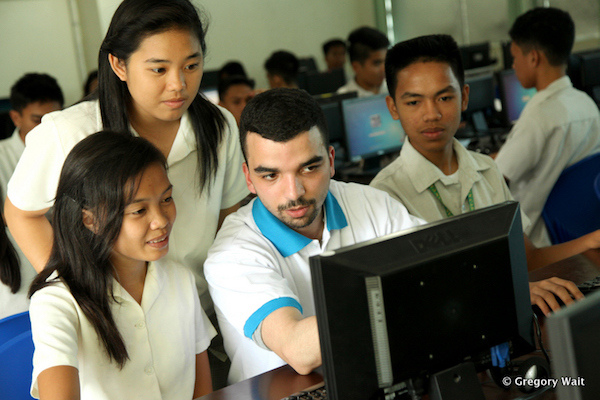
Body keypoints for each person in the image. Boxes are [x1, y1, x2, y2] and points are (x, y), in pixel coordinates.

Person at [4, 0, 248, 389]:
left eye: (192, 65)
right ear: (119, 65)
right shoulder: (69, 132)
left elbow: (229, 216)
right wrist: (81, 288)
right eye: (159, 69)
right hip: (107, 327)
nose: (179, 84)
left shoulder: (217, 126)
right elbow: (21, 212)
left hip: (194, 314)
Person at [204, 88, 424, 383]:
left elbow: (438, 271)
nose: (294, 193)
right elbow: (298, 348)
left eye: (308, 168)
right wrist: (401, 294)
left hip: (372, 380)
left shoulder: (372, 204)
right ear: (248, 178)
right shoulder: (232, 253)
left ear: (331, 160)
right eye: (271, 175)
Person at [369, 34, 587, 317]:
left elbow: (529, 258)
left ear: (464, 98)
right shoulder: (384, 194)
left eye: (444, 97)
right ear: (393, 107)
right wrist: (509, 289)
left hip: (506, 318)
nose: (432, 114)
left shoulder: (487, 169)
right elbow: (413, 297)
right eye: (414, 103)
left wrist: (590, 241)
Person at [28, 131, 216, 399]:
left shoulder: (179, 279)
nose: (161, 220)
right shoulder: (57, 301)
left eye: (166, 199)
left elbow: (201, 388)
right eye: (139, 211)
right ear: (90, 220)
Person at [494, 8, 600, 247]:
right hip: (582, 230)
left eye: (515, 57)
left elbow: (496, 176)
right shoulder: (587, 104)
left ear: (533, 58)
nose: (513, 64)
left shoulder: (539, 117)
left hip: (539, 240)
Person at [0, 73, 64, 205]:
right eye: (37, 120)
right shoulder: (2, 158)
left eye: (54, 118)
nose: (47, 127)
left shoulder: (71, 145)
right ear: (16, 118)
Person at [337, 26, 389, 97]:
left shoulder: (393, 89)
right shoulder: (343, 97)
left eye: (386, 61)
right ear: (356, 67)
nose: (384, 69)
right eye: (377, 63)